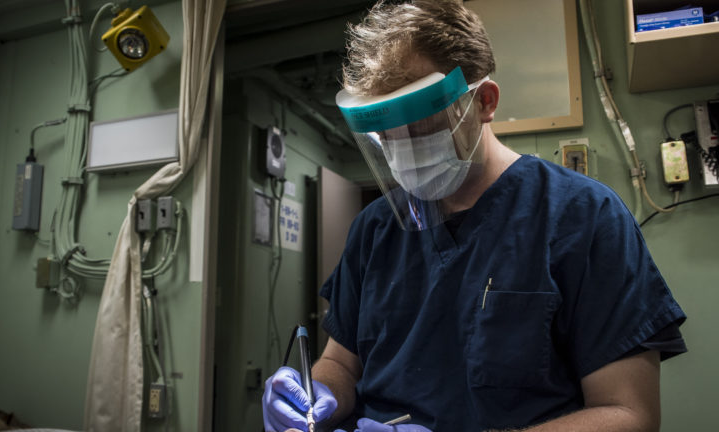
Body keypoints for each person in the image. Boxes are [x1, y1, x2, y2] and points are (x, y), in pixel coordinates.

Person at [262, 1, 687, 431]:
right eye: (388, 135)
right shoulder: (374, 229)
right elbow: (341, 360)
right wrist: (316, 397)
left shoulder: (584, 217)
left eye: (421, 126)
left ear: (483, 102)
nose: (403, 150)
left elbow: (628, 414)